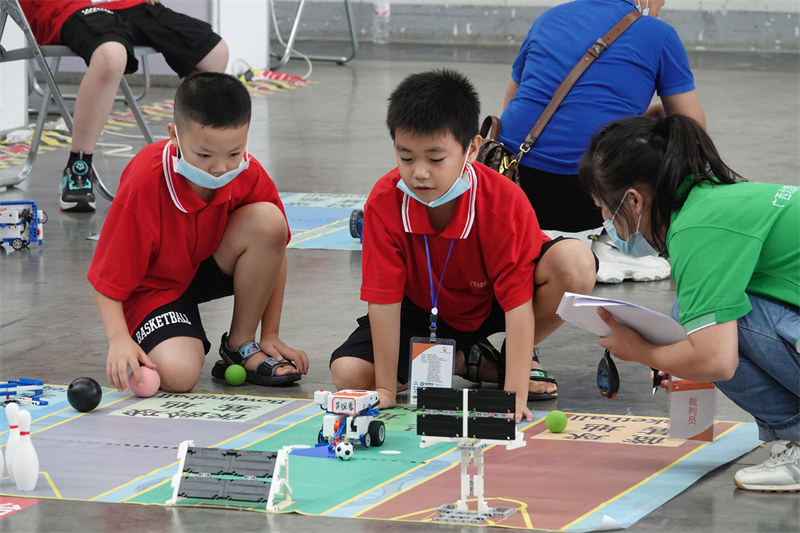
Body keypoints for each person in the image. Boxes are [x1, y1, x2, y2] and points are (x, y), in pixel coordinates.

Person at [330, 69, 597, 422]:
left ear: (471, 148)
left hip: (494, 303)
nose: (419, 173)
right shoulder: (384, 201)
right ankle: (469, 361)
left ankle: (508, 362)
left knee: (575, 263)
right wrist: (383, 389)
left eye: (435, 158)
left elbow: (517, 306)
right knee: (348, 374)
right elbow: (383, 300)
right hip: (427, 307)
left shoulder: (503, 201)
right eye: (406, 157)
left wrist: (513, 395)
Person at [578, 114, 799, 492]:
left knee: (690, 323)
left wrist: (642, 350)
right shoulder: (719, 201)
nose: (605, 222)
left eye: (604, 208)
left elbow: (717, 359)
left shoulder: (697, 229)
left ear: (632, 200)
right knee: (698, 326)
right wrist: (681, 350)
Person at [87, 72, 308, 394]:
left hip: (205, 265)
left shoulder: (245, 171)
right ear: (174, 135)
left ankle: (240, 344)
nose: (220, 168)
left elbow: (275, 249)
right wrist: (119, 340)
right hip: (153, 288)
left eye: (234, 153)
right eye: (204, 155)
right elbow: (107, 278)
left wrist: (270, 334)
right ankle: (157, 333)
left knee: (269, 220)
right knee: (179, 376)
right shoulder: (145, 182)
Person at [498, 0, 705, 283]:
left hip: (518, 190)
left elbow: (512, 103)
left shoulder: (548, 19)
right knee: (675, 138)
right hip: (594, 200)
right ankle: (619, 239)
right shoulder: (659, 34)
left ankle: (539, 240)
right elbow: (694, 132)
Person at [19, 0, 229, 212]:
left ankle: (189, 157)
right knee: (111, 55)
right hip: (67, 5)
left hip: (126, 4)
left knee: (214, 53)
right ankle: (79, 166)